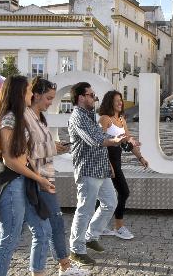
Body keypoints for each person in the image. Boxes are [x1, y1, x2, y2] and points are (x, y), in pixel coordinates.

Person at [0, 75, 54, 276]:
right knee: (9, 238)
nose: (32, 93)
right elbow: (11, 161)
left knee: (41, 230)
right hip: (12, 185)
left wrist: (38, 175)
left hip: (23, 183)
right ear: (20, 93)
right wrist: (39, 178)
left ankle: (37, 272)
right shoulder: (10, 118)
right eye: (29, 90)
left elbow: (23, 157)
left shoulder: (19, 117)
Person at [68, 82, 125, 266]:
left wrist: (120, 141)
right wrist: (116, 140)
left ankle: (91, 236)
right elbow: (95, 139)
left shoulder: (91, 115)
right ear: (81, 97)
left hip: (101, 169)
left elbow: (102, 138)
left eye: (94, 95)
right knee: (85, 209)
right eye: (91, 95)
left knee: (110, 203)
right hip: (88, 170)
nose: (94, 98)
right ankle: (76, 249)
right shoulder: (78, 116)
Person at [98, 90, 148, 240]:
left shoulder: (121, 119)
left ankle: (99, 227)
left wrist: (140, 158)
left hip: (116, 161)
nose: (120, 102)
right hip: (106, 161)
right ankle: (118, 226)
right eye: (117, 100)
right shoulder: (104, 119)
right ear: (109, 102)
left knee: (102, 196)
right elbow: (99, 144)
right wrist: (108, 165)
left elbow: (128, 141)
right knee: (123, 192)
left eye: (121, 100)